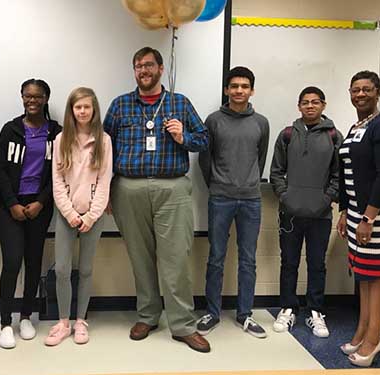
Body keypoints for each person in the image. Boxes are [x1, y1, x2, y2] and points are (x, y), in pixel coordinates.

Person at [104, 47, 210, 353]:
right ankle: (148, 316)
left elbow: (203, 139)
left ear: (161, 69)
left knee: (176, 259)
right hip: (128, 189)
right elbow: (104, 148)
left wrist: (183, 138)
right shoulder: (120, 105)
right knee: (140, 258)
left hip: (173, 188)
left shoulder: (179, 102)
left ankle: (183, 325)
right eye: (138, 66)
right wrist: (107, 190)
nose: (143, 70)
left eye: (149, 65)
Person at [197, 66, 269, 338]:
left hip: (251, 200)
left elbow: (259, 159)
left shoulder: (261, 122)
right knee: (216, 257)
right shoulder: (213, 120)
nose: (239, 90)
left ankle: (245, 314)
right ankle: (212, 313)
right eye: (234, 86)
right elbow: (205, 159)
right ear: (227, 90)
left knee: (248, 259)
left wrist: (248, 182)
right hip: (220, 198)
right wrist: (217, 184)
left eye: (244, 86)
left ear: (251, 90)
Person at [337, 71, 380, 367]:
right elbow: (348, 173)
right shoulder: (356, 127)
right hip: (356, 214)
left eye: (366, 89)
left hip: (377, 215)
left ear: (377, 92)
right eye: (355, 89)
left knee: (377, 275)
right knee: (364, 274)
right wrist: (345, 211)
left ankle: (375, 339)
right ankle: (363, 331)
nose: (360, 94)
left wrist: (368, 217)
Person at [269, 86, 343, 337]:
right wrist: (285, 196)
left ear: (323, 105)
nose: (310, 106)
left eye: (315, 102)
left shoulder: (334, 136)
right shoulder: (287, 134)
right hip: (290, 212)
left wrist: (328, 198)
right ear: (298, 106)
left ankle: (315, 312)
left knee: (316, 264)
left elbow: (338, 174)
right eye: (305, 102)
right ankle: (288, 308)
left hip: (320, 214)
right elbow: (276, 172)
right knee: (288, 262)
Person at [0, 78, 61, 349]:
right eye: (27, 96)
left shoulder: (56, 133)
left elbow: (59, 171)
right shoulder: (10, 130)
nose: (31, 100)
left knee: (34, 262)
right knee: (12, 262)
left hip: (40, 206)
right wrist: (12, 203)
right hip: (11, 206)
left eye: (37, 96)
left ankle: (25, 317)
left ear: (46, 98)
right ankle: (5, 323)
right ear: (22, 98)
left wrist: (41, 202)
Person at [44, 87, 112, 346]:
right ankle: (63, 322)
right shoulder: (61, 139)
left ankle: (81, 320)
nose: (82, 111)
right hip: (66, 215)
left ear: (94, 109)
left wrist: (91, 216)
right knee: (62, 269)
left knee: (85, 269)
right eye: (77, 107)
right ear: (71, 110)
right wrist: (71, 214)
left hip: (92, 216)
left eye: (87, 107)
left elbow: (105, 182)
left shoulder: (104, 140)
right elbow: (57, 181)